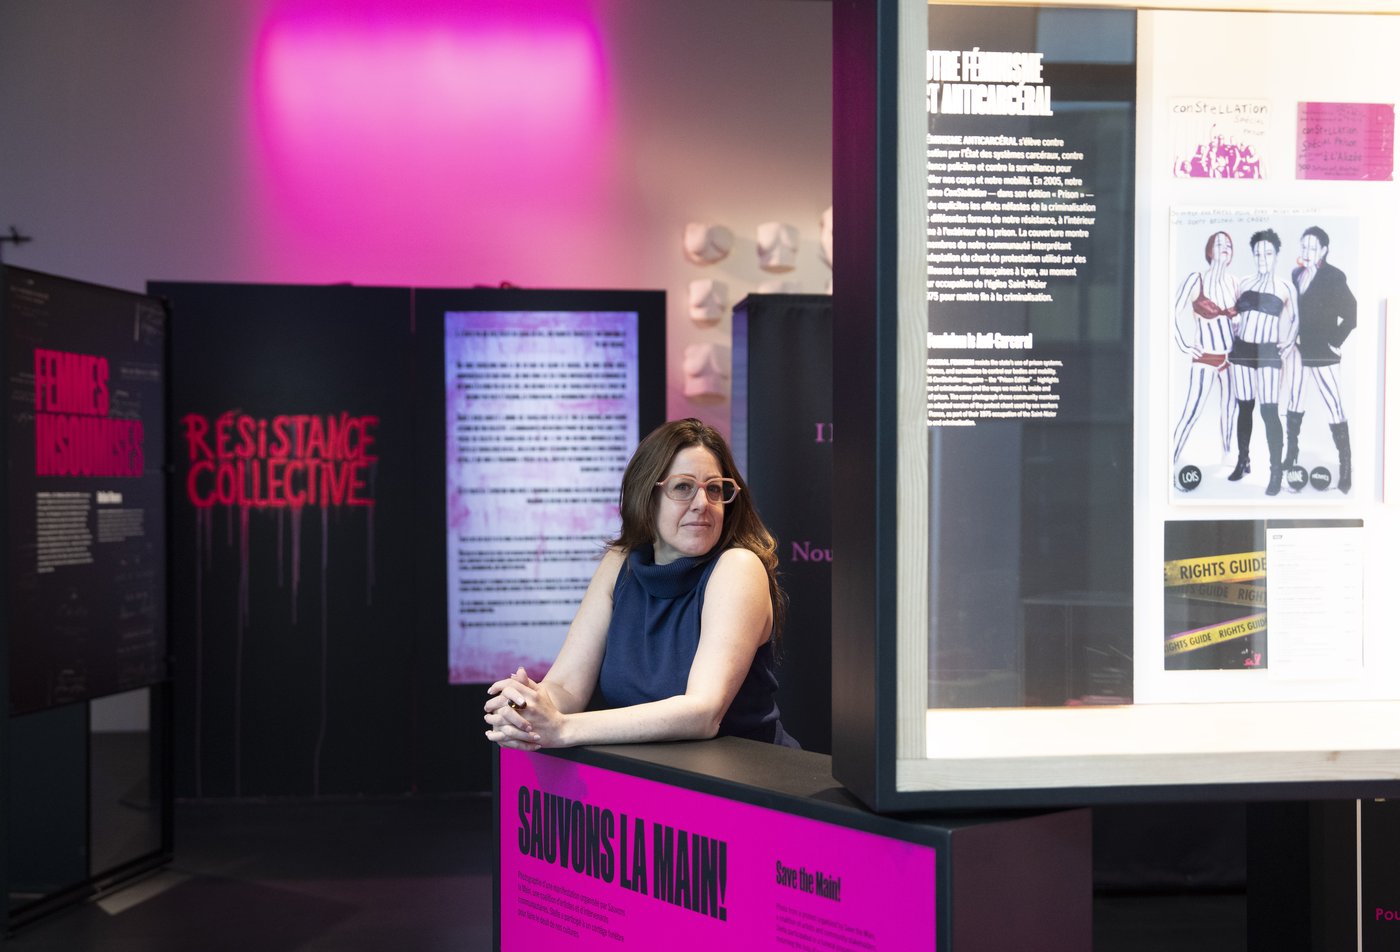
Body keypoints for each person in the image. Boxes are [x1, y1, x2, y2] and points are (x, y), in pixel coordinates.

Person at [483, 418, 796, 750]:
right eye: (683, 487)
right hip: (649, 773)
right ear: (647, 496)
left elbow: (703, 713)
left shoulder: (738, 567)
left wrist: (563, 728)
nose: (702, 503)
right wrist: (525, 707)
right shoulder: (619, 563)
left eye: (714, 489)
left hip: (740, 776)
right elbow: (565, 688)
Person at [1227, 228, 1298, 495]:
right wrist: (1234, 320)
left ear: (1277, 254)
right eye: (1258, 254)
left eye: (1268, 253)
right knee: (1244, 407)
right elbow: (1233, 312)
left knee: (1269, 411)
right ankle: (1243, 460)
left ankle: (1275, 471)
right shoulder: (1244, 282)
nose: (1263, 258)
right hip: (1242, 349)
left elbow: (1296, 318)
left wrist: (1289, 340)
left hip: (1268, 351)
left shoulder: (1285, 286)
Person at [1286, 225, 1357, 493]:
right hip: (1298, 349)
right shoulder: (1296, 274)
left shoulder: (1334, 277)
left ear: (1324, 250)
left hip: (1323, 352)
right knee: (1294, 401)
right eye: (1303, 246)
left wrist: (1334, 342)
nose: (1306, 251)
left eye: (1312, 247)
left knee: (1334, 407)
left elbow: (1352, 314)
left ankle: (1346, 466)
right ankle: (1291, 456)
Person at [1171, 230, 1238, 471]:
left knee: (1230, 408)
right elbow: (1170, 313)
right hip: (1205, 358)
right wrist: (1184, 344)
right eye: (1219, 244)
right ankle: (1170, 459)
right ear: (1209, 250)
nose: (1225, 247)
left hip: (1230, 359)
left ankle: (1227, 455)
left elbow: (1239, 319)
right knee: (1192, 411)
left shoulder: (1234, 283)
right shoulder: (1195, 280)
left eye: (1228, 244)